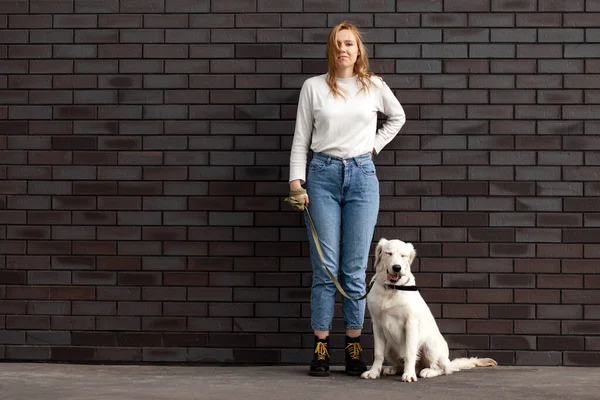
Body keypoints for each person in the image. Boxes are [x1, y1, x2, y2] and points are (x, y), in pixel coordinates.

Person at [287, 21, 406, 377]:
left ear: (358, 50)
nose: (344, 49)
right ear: (331, 49)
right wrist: (297, 182)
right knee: (325, 268)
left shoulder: (374, 86)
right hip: (321, 177)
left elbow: (397, 117)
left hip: (362, 179)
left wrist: (372, 147)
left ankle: (354, 346)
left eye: (350, 44)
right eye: (338, 44)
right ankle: (321, 348)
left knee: (354, 269)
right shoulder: (314, 88)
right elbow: (300, 138)